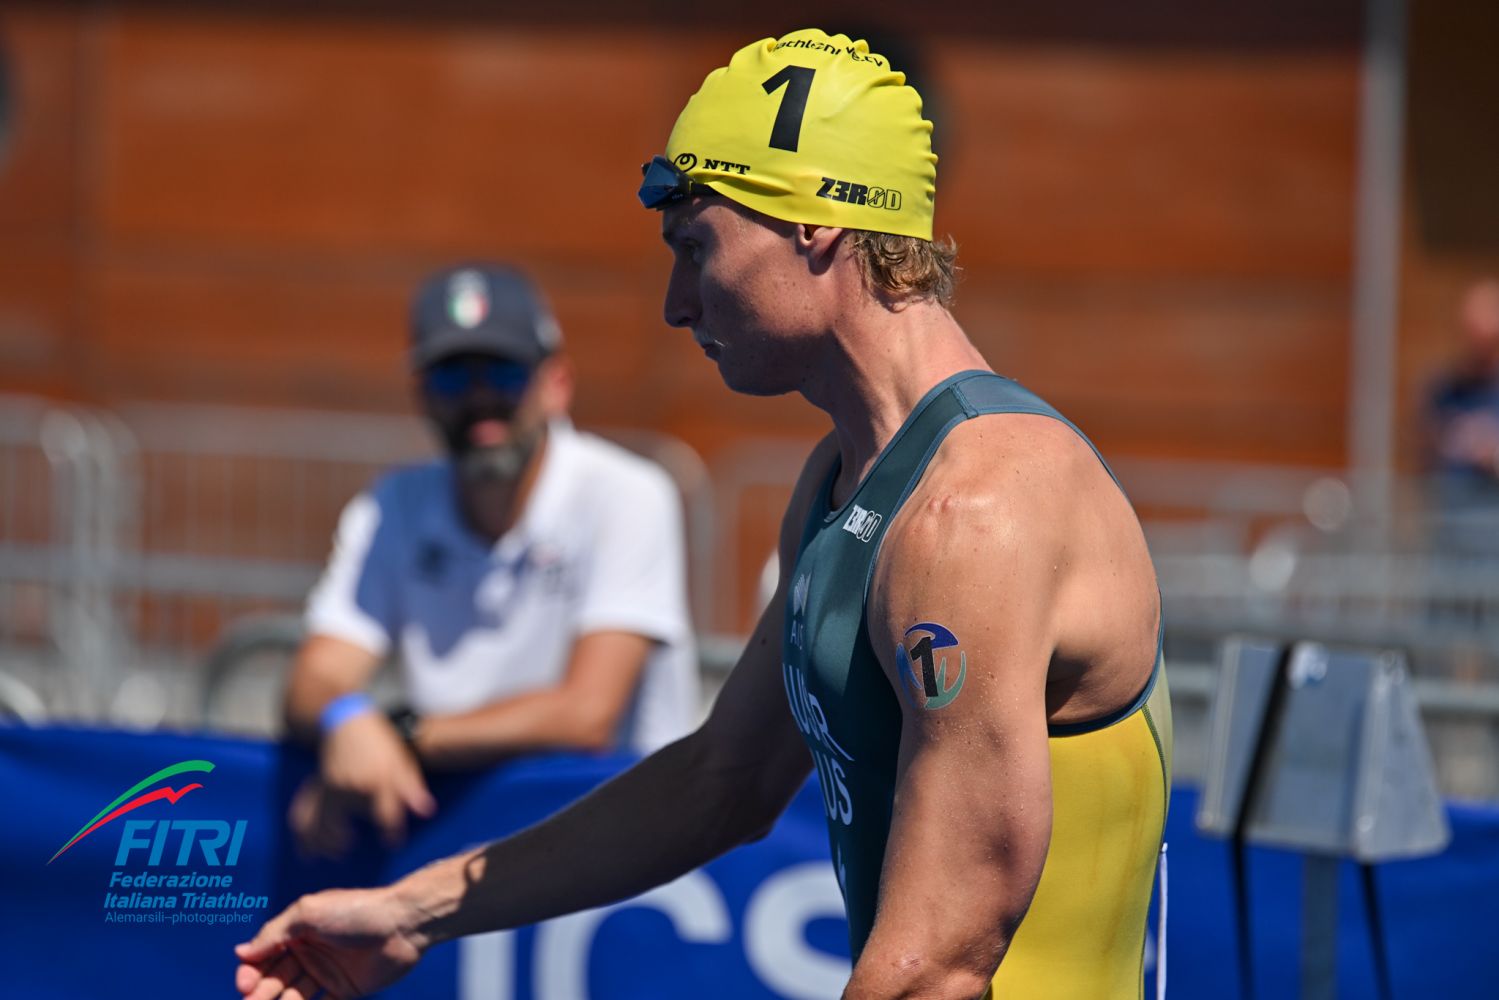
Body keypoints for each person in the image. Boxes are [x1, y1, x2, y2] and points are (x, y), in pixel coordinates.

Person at [236, 30, 1170, 999]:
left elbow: (935, 966)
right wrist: (410, 912)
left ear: (815, 224)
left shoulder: (975, 509)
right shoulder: (841, 481)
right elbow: (719, 780)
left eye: (695, 248)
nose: (676, 306)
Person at [282, 263, 701, 857]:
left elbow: (586, 716)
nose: (480, 401)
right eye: (453, 378)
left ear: (557, 384)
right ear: (422, 395)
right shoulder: (391, 505)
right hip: (456, 834)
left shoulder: (628, 495)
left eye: (504, 373)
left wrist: (398, 736)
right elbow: (314, 678)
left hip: (625, 846)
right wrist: (346, 720)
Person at [1424, 278, 1499, 552]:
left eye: (1486, 341)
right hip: (1450, 537)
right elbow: (1425, 451)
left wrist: (1491, 453)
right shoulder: (1444, 387)